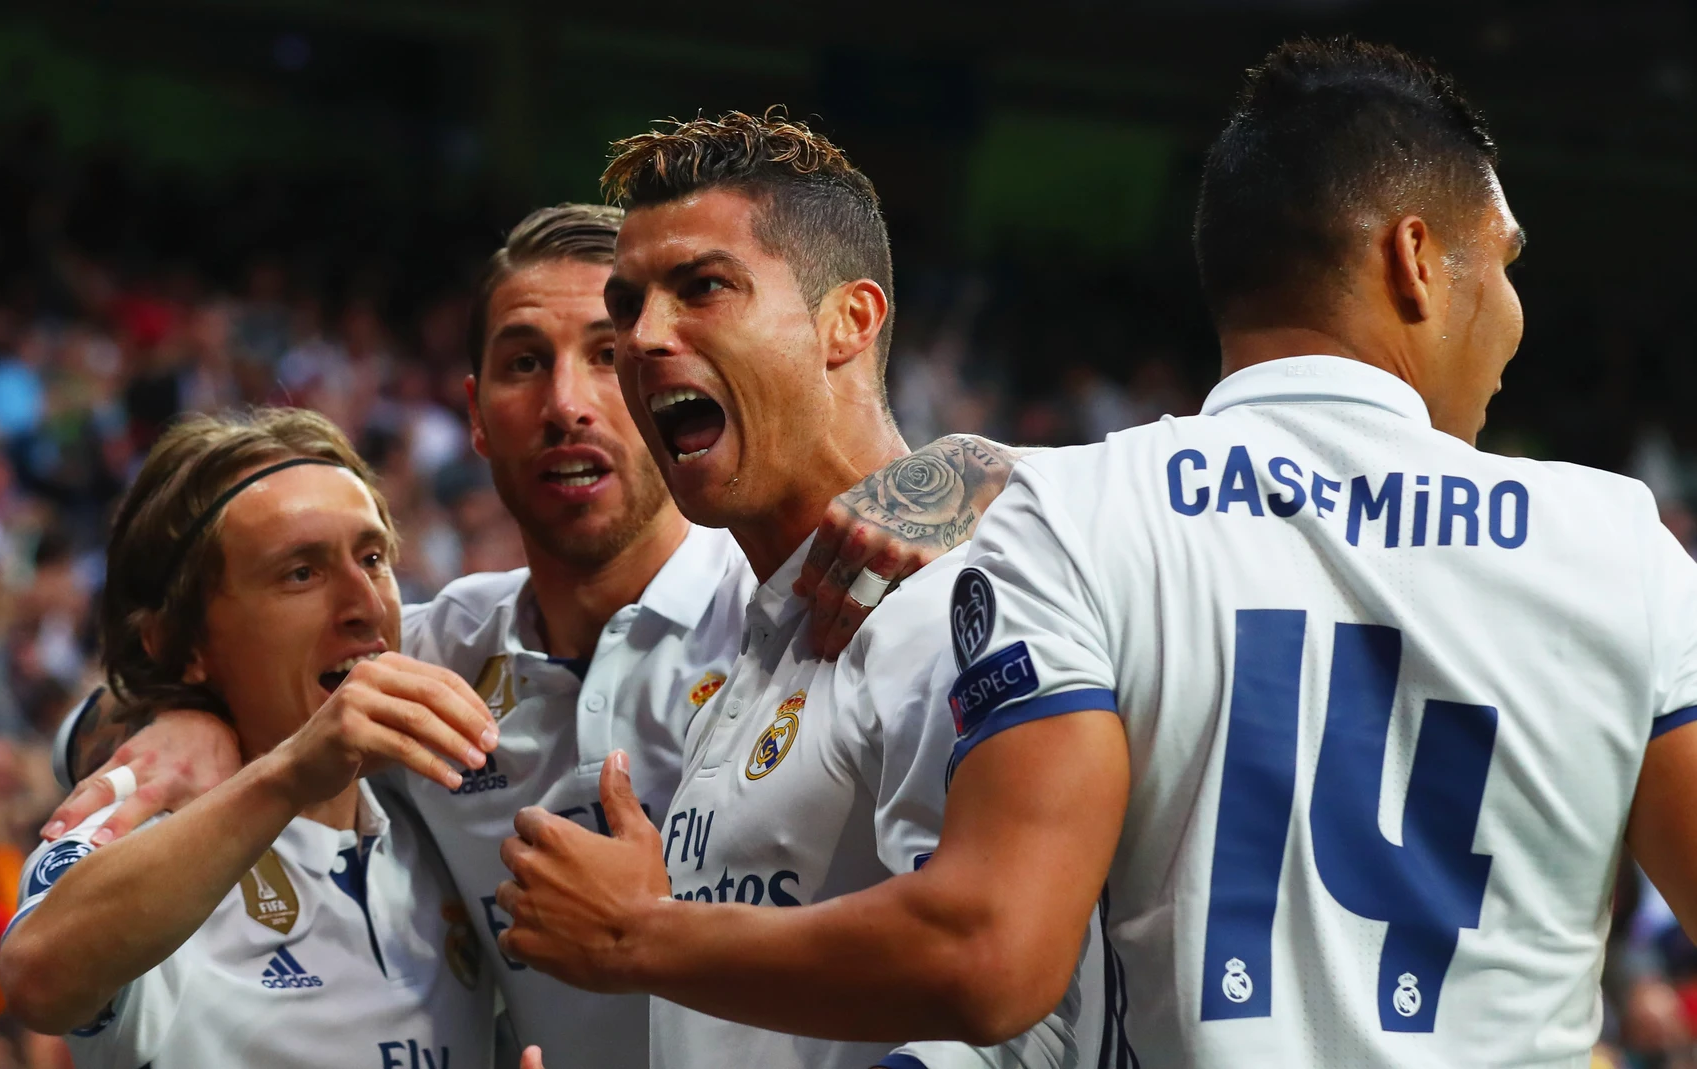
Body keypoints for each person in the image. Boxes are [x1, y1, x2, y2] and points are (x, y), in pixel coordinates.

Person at [491, 38, 1697, 1068]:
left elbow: (994, 957)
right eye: (1507, 266)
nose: (1515, 313)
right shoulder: (1618, 546)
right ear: (1415, 259)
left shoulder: (1063, 520)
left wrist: (636, 935)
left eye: (697, 290)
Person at [38, 203, 1019, 1068]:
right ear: (473, 415)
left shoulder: (817, 598)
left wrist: (968, 473)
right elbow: (262, 675)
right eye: (523, 363)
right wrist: (175, 719)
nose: (565, 404)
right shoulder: (440, 654)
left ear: (657, 381)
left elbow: (1085, 535)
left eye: (605, 355)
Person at [492, 112, 1103, 1068]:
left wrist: (635, 933)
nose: (644, 339)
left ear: (848, 321)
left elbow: (1018, 1014)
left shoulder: (951, 599)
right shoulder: (765, 627)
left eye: (703, 288)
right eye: (630, 303)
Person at [0, 409, 500, 1068]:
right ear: (186, 644)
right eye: (301, 572)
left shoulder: (444, 816)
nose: (369, 605)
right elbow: (38, 974)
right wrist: (288, 772)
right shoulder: (136, 818)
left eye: (373, 557)